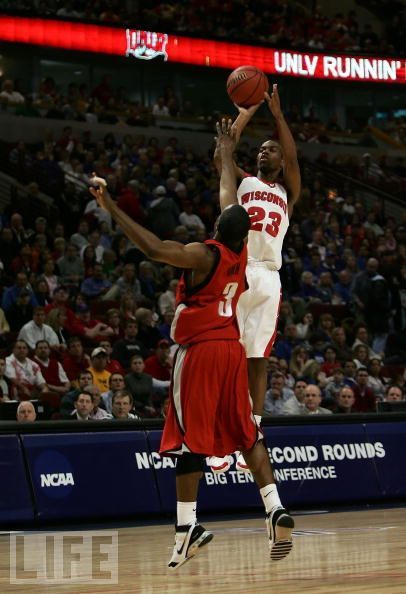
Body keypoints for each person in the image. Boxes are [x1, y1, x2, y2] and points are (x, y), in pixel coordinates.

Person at [89, 121, 294, 569]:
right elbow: (231, 201)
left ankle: (187, 528)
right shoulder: (243, 259)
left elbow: (155, 248)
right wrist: (227, 156)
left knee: (189, 442)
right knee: (248, 434)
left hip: (200, 353)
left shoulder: (208, 252)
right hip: (230, 353)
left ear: (220, 225)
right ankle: (275, 506)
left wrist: (110, 209)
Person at [213, 85, 300, 464]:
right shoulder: (244, 181)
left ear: (280, 159)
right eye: (261, 148)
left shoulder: (287, 191)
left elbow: (295, 158)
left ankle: (253, 422)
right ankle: (216, 428)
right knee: (223, 351)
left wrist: (278, 116)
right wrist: (245, 112)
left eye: (272, 148)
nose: (265, 151)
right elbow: (223, 153)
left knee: (257, 356)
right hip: (238, 267)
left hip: (269, 275)